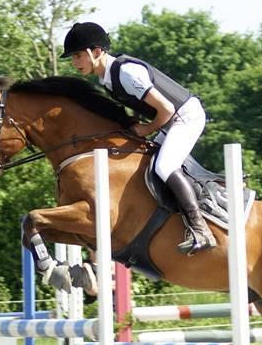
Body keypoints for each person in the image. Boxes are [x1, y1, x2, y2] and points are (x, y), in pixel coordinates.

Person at [61, 21, 216, 255]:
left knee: (164, 166)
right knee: (146, 163)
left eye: (78, 56)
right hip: (171, 120)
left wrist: (146, 129)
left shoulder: (125, 72)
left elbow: (165, 109)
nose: (75, 62)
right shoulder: (107, 79)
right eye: (73, 58)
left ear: (96, 52)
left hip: (185, 116)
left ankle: (201, 229)